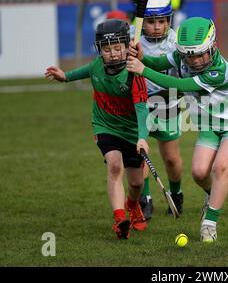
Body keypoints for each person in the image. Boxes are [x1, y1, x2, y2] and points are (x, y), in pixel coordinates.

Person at [126, 17, 228, 243]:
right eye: (188, 55)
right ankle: (213, 195)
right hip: (209, 122)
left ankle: (209, 224)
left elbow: (178, 85)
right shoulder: (182, 56)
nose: (193, 61)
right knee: (198, 173)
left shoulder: (218, 71)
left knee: (221, 166)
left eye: (199, 54)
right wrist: (141, 56)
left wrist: (142, 69)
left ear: (212, 46)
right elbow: (161, 63)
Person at [44, 19, 150, 239]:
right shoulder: (97, 66)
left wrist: (142, 138)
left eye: (118, 48)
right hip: (105, 125)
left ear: (127, 46)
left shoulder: (135, 75)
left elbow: (142, 111)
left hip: (131, 131)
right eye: (107, 49)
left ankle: (132, 205)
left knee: (137, 182)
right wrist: (65, 77)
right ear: (99, 49)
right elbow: (84, 72)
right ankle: (120, 218)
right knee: (114, 165)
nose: (112, 53)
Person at [135, 0, 184, 220]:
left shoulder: (177, 42)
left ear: (169, 20)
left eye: (161, 21)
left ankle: (176, 193)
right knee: (141, 154)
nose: (156, 26)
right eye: (151, 21)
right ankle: (145, 200)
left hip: (168, 103)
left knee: (171, 158)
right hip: (141, 104)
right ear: (142, 22)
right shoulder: (135, 41)